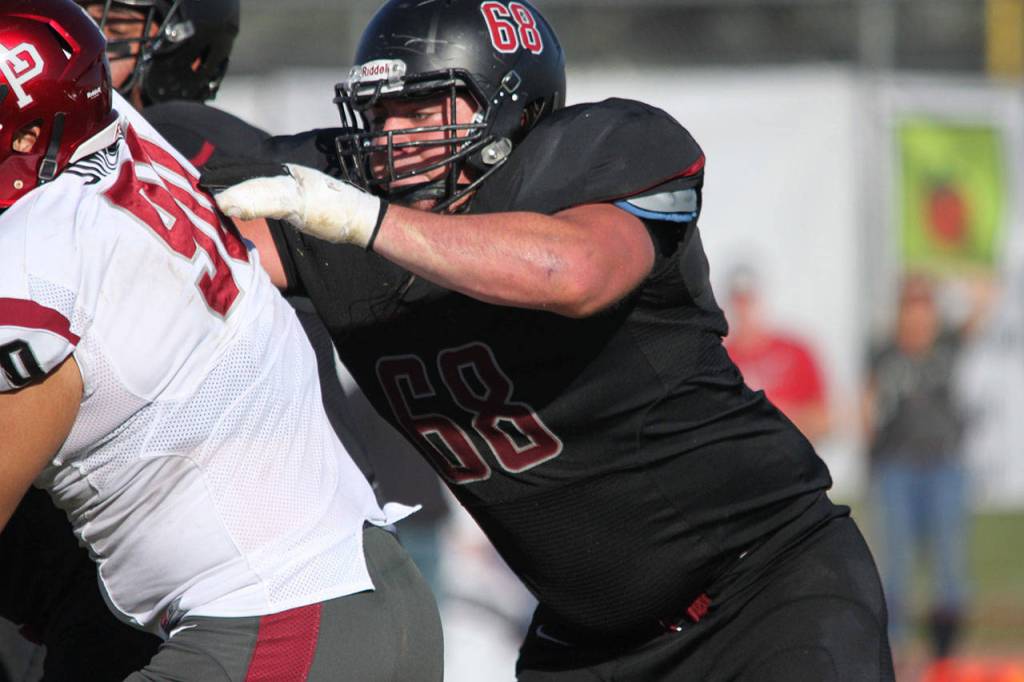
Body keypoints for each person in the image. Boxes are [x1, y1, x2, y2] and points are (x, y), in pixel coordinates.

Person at [205, 0, 895, 678]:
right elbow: (187, 250)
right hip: (587, 641)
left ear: (508, 107)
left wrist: (365, 222)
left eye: (420, 109)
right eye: (379, 111)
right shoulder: (332, 201)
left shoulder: (596, 155)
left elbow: (577, 272)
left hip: (764, 593)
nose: (394, 134)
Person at [0, 3, 443, 681]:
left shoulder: (36, 259)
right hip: (365, 592)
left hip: (280, 625)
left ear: (29, 136)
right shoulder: (125, 135)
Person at [862, 273, 978, 661]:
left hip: (944, 466)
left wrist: (967, 265)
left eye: (924, 305)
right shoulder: (884, 352)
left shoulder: (947, 345)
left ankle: (946, 652)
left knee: (949, 562)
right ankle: (897, 650)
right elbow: (868, 402)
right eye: (910, 306)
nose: (917, 315)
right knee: (895, 563)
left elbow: (981, 307)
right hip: (896, 467)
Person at [724, 264, 832, 443]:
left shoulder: (795, 352)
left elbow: (826, 419)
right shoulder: (719, 359)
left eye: (749, 300)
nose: (744, 310)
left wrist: (784, 418)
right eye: (739, 302)